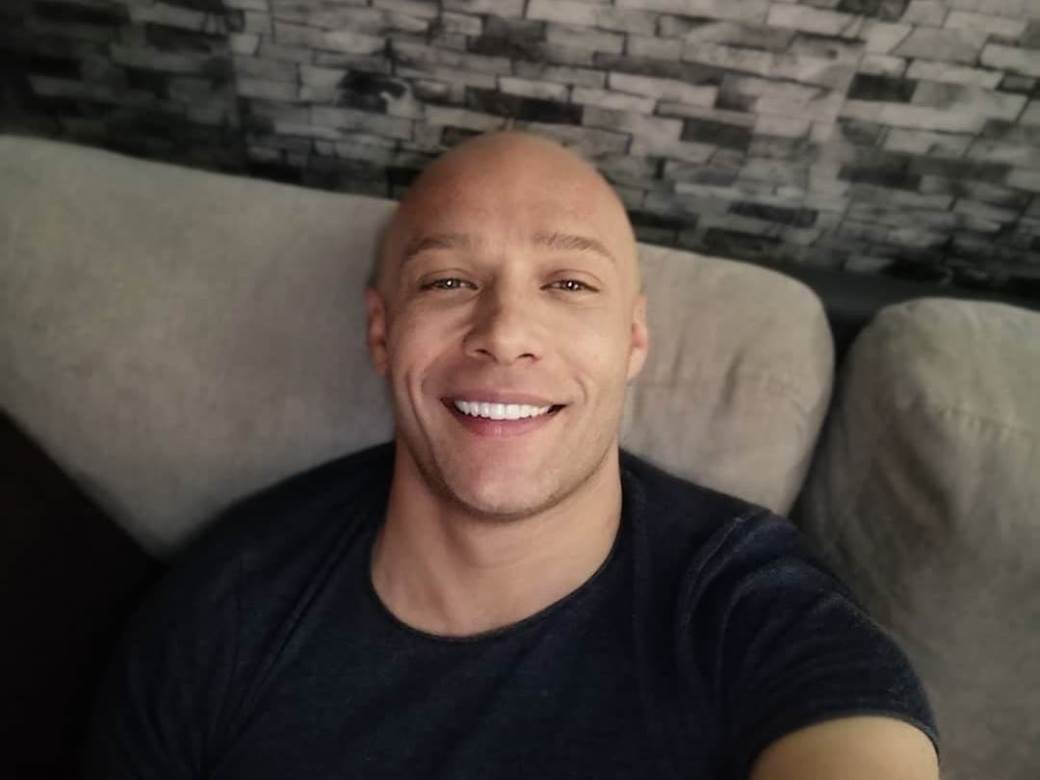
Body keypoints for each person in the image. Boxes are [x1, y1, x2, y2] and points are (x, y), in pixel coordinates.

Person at [85, 131, 940, 779]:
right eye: (448, 281)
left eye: (568, 285)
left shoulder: (751, 611)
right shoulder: (226, 608)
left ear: (634, 339)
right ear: (382, 333)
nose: (504, 333)